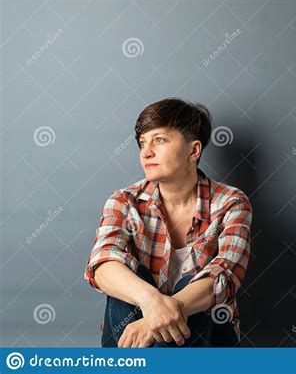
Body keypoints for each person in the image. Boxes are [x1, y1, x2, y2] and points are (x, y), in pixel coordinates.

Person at [83, 98, 253, 348]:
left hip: (209, 341)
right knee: (126, 274)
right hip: (132, 334)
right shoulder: (124, 200)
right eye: (142, 143)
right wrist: (150, 300)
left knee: (191, 283)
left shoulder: (231, 202)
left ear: (193, 151)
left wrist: (157, 319)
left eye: (159, 140)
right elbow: (102, 262)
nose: (146, 152)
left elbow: (224, 277)